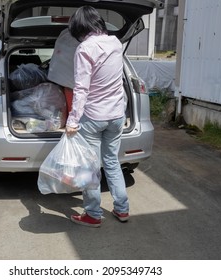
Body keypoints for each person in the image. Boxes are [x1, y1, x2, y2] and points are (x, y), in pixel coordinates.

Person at [65, 6, 129, 227]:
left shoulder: (85, 48)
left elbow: (81, 89)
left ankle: (92, 214)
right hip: (116, 115)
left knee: (90, 168)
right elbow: (118, 81)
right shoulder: (116, 43)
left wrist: (72, 121)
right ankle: (122, 209)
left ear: (79, 27)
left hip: (93, 117)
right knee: (112, 162)